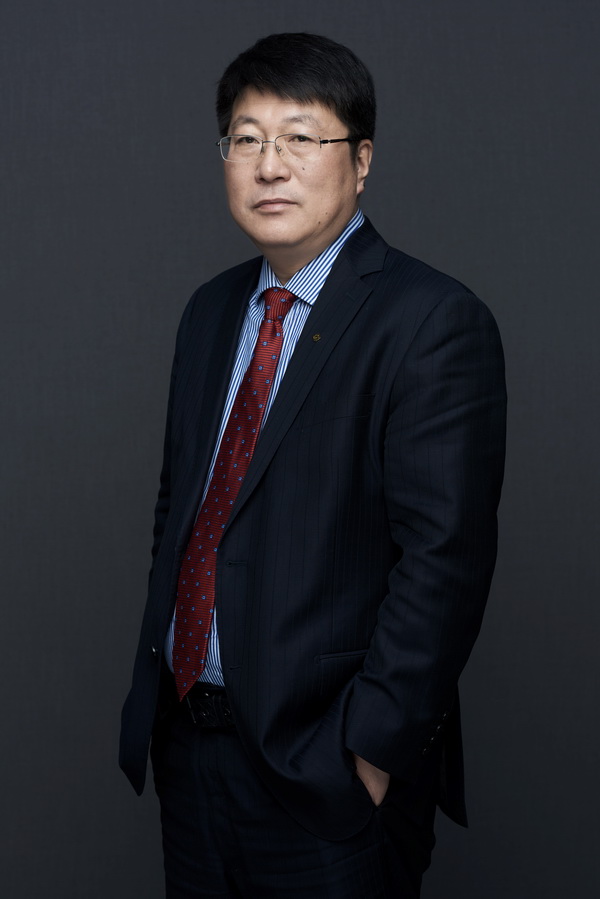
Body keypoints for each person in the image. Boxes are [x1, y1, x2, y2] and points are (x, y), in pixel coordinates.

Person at [120, 32, 506, 898]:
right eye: (246, 138)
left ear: (361, 161)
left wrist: (368, 755)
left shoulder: (431, 320)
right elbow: (183, 508)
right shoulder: (210, 311)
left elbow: (445, 562)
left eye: (301, 137)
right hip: (191, 753)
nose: (270, 165)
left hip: (325, 775)